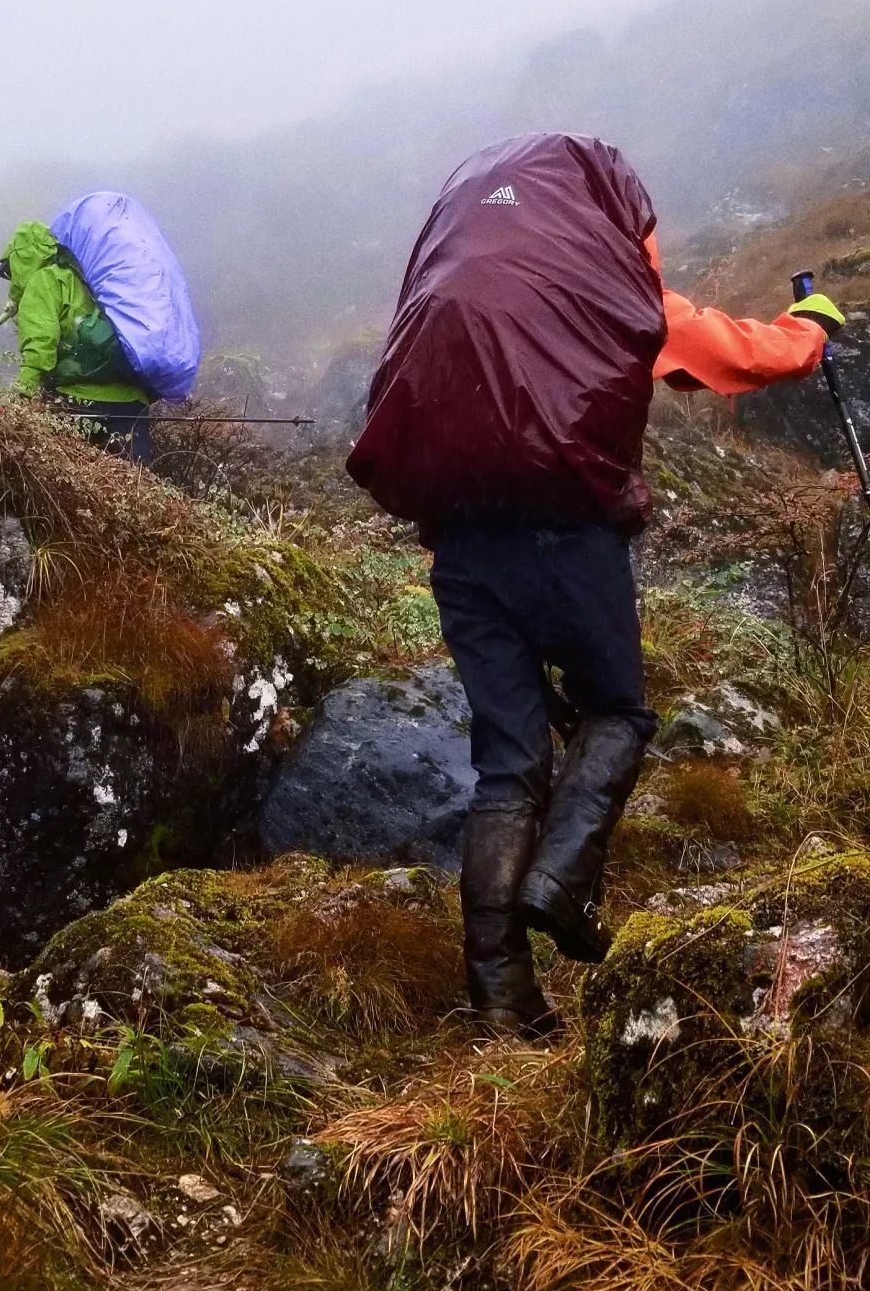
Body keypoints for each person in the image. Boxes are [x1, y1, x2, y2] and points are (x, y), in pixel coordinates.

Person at [346, 132, 843, 1038]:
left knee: (509, 762)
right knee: (618, 712)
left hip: (462, 548)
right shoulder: (593, 282)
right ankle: (564, 883)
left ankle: (502, 1003)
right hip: (567, 537)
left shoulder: (456, 285)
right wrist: (812, 333)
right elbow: (714, 351)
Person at [0, 221, 156, 463]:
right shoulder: (86, 276)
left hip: (78, 398)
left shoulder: (43, 282)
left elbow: (41, 345)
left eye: (9, 271)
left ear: (20, 261)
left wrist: (20, 397)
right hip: (132, 399)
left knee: (71, 486)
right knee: (137, 488)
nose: (10, 279)